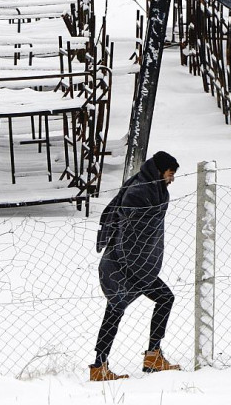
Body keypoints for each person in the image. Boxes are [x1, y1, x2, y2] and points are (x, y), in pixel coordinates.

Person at [90, 151, 181, 382]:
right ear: (160, 171)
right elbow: (129, 232)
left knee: (116, 309)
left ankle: (103, 365)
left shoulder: (154, 189)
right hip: (126, 262)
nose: (172, 179)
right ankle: (149, 357)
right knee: (125, 305)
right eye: (170, 174)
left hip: (138, 263)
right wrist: (133, 267)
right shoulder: (139, 192)